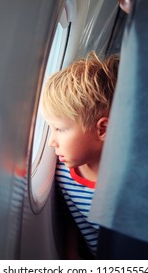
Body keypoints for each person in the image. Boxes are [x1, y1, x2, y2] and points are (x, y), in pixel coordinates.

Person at [41, 51, 119, 257]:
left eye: (60, 129)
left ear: (102, 130)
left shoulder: (130, 182)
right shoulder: (64, 174)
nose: (51, 142)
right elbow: (72, 224)